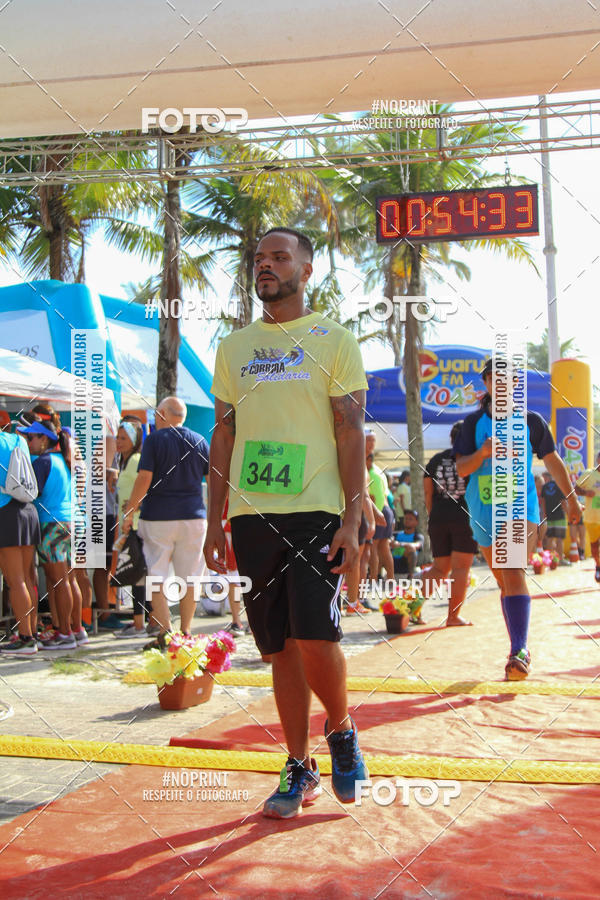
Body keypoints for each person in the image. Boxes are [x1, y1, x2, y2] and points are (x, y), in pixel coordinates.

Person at [205, 227, 368, 819]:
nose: (266, 265)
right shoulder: (233, 346)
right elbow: (223, 434)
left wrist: (353, 516)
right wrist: (213, 521)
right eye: (259, 258)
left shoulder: (334, 339)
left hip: (317, 511)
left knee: (316, 638)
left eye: (279, 256)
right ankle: (298, 766)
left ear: (307, 268)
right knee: (278, 650)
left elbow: (351, 431)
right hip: (252, 515)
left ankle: (343, 729)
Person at [454, 358, 580, 680]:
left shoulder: (531, 421)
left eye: (506, 379)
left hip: (520, 508)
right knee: (504, 581)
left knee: (512, 570)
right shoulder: (472, 424)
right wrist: (482, 454)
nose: (499, 384)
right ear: (485, 383)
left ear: (514, 384)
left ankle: (519, 651)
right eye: (493, 378)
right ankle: (517, 644)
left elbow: (552, 461)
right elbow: (461, 468)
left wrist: (571, 499)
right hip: (483, 510)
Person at [122, 396, 209, 644]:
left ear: (161, 415)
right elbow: (210, 478)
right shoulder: (200, 440)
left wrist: (130, 511)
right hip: (193, 516)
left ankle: (165, 632)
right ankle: (187, 631)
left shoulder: (155, 440)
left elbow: (144, 478)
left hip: (158, 517)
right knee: (190, 576)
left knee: (156, 574)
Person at [17, 419, 85, 650]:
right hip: (68, 522)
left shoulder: (44, 461)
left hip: (51, 525)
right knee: (67, 579)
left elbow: (27, 493)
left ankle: (65, 633)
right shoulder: (62, 459)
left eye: (31, 437)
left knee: (60, 581)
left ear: (43, 439)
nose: (28, 441)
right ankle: (74, 630)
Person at [421, 421, 478, 626]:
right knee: (461, 569)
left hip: (438, 516)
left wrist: (432, 515)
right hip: (464, 517)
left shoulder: (435, 460)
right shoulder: (473, 460)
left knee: (439, 568)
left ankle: (412, 609)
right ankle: (453, 616)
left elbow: (428, 492)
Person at [0, 424, 41, 656]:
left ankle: (25, 638)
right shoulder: (19, 440)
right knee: (26, 578)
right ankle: (30, 633)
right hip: (27, 510)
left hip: (5, 511)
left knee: (15, 581)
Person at [113, 419, 148, 637]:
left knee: (138, 574)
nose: (118, 442)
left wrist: (137, 504)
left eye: (123, 438)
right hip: (127, 525)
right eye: (117, 437)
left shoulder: (136, 460)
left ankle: (139, 624)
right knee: (137, 573)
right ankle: (142, 622)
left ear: (134, 441)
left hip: (136, 524)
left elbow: (148, 486)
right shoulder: (122, 461)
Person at [575, 451, 600, 582]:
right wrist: (585, 492)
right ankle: (598, 566)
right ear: (598, 460)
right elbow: (576, 488)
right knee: (595, 546)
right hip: (592, 518)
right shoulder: (589, 474)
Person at [540, 472, 569, 565]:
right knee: (559, 538)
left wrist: (544, 513)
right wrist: (568, 512)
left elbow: (543, 501)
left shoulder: (544, 487)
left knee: (550, 538)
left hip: (549, 515)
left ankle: (549, 560)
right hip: (559, 515)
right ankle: (560, 559)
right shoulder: (559, 485)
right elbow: (563, 501)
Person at [391, 509, 424, 579]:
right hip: (393, 563)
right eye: (406, 518)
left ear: (416, 522)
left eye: (410, 519)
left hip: (406, 564)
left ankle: (410, 577)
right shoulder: (396, 535)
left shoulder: (418, 536)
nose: (407, 520)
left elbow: (417, 545)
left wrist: (400, 544)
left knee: (411, 549)